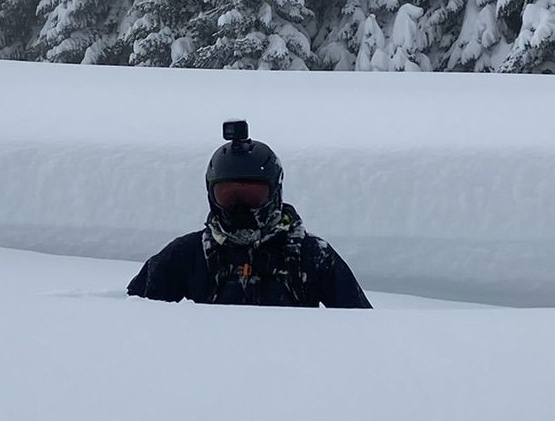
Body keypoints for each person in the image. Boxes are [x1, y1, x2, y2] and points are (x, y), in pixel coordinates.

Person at [128, 122, 373, 309]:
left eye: (252, 196)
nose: (241, 208)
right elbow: (134, 318)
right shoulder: (187, 255)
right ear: (212, 197)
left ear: (275, 194)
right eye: (229, 197)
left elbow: (360, 328)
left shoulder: (311, 256)